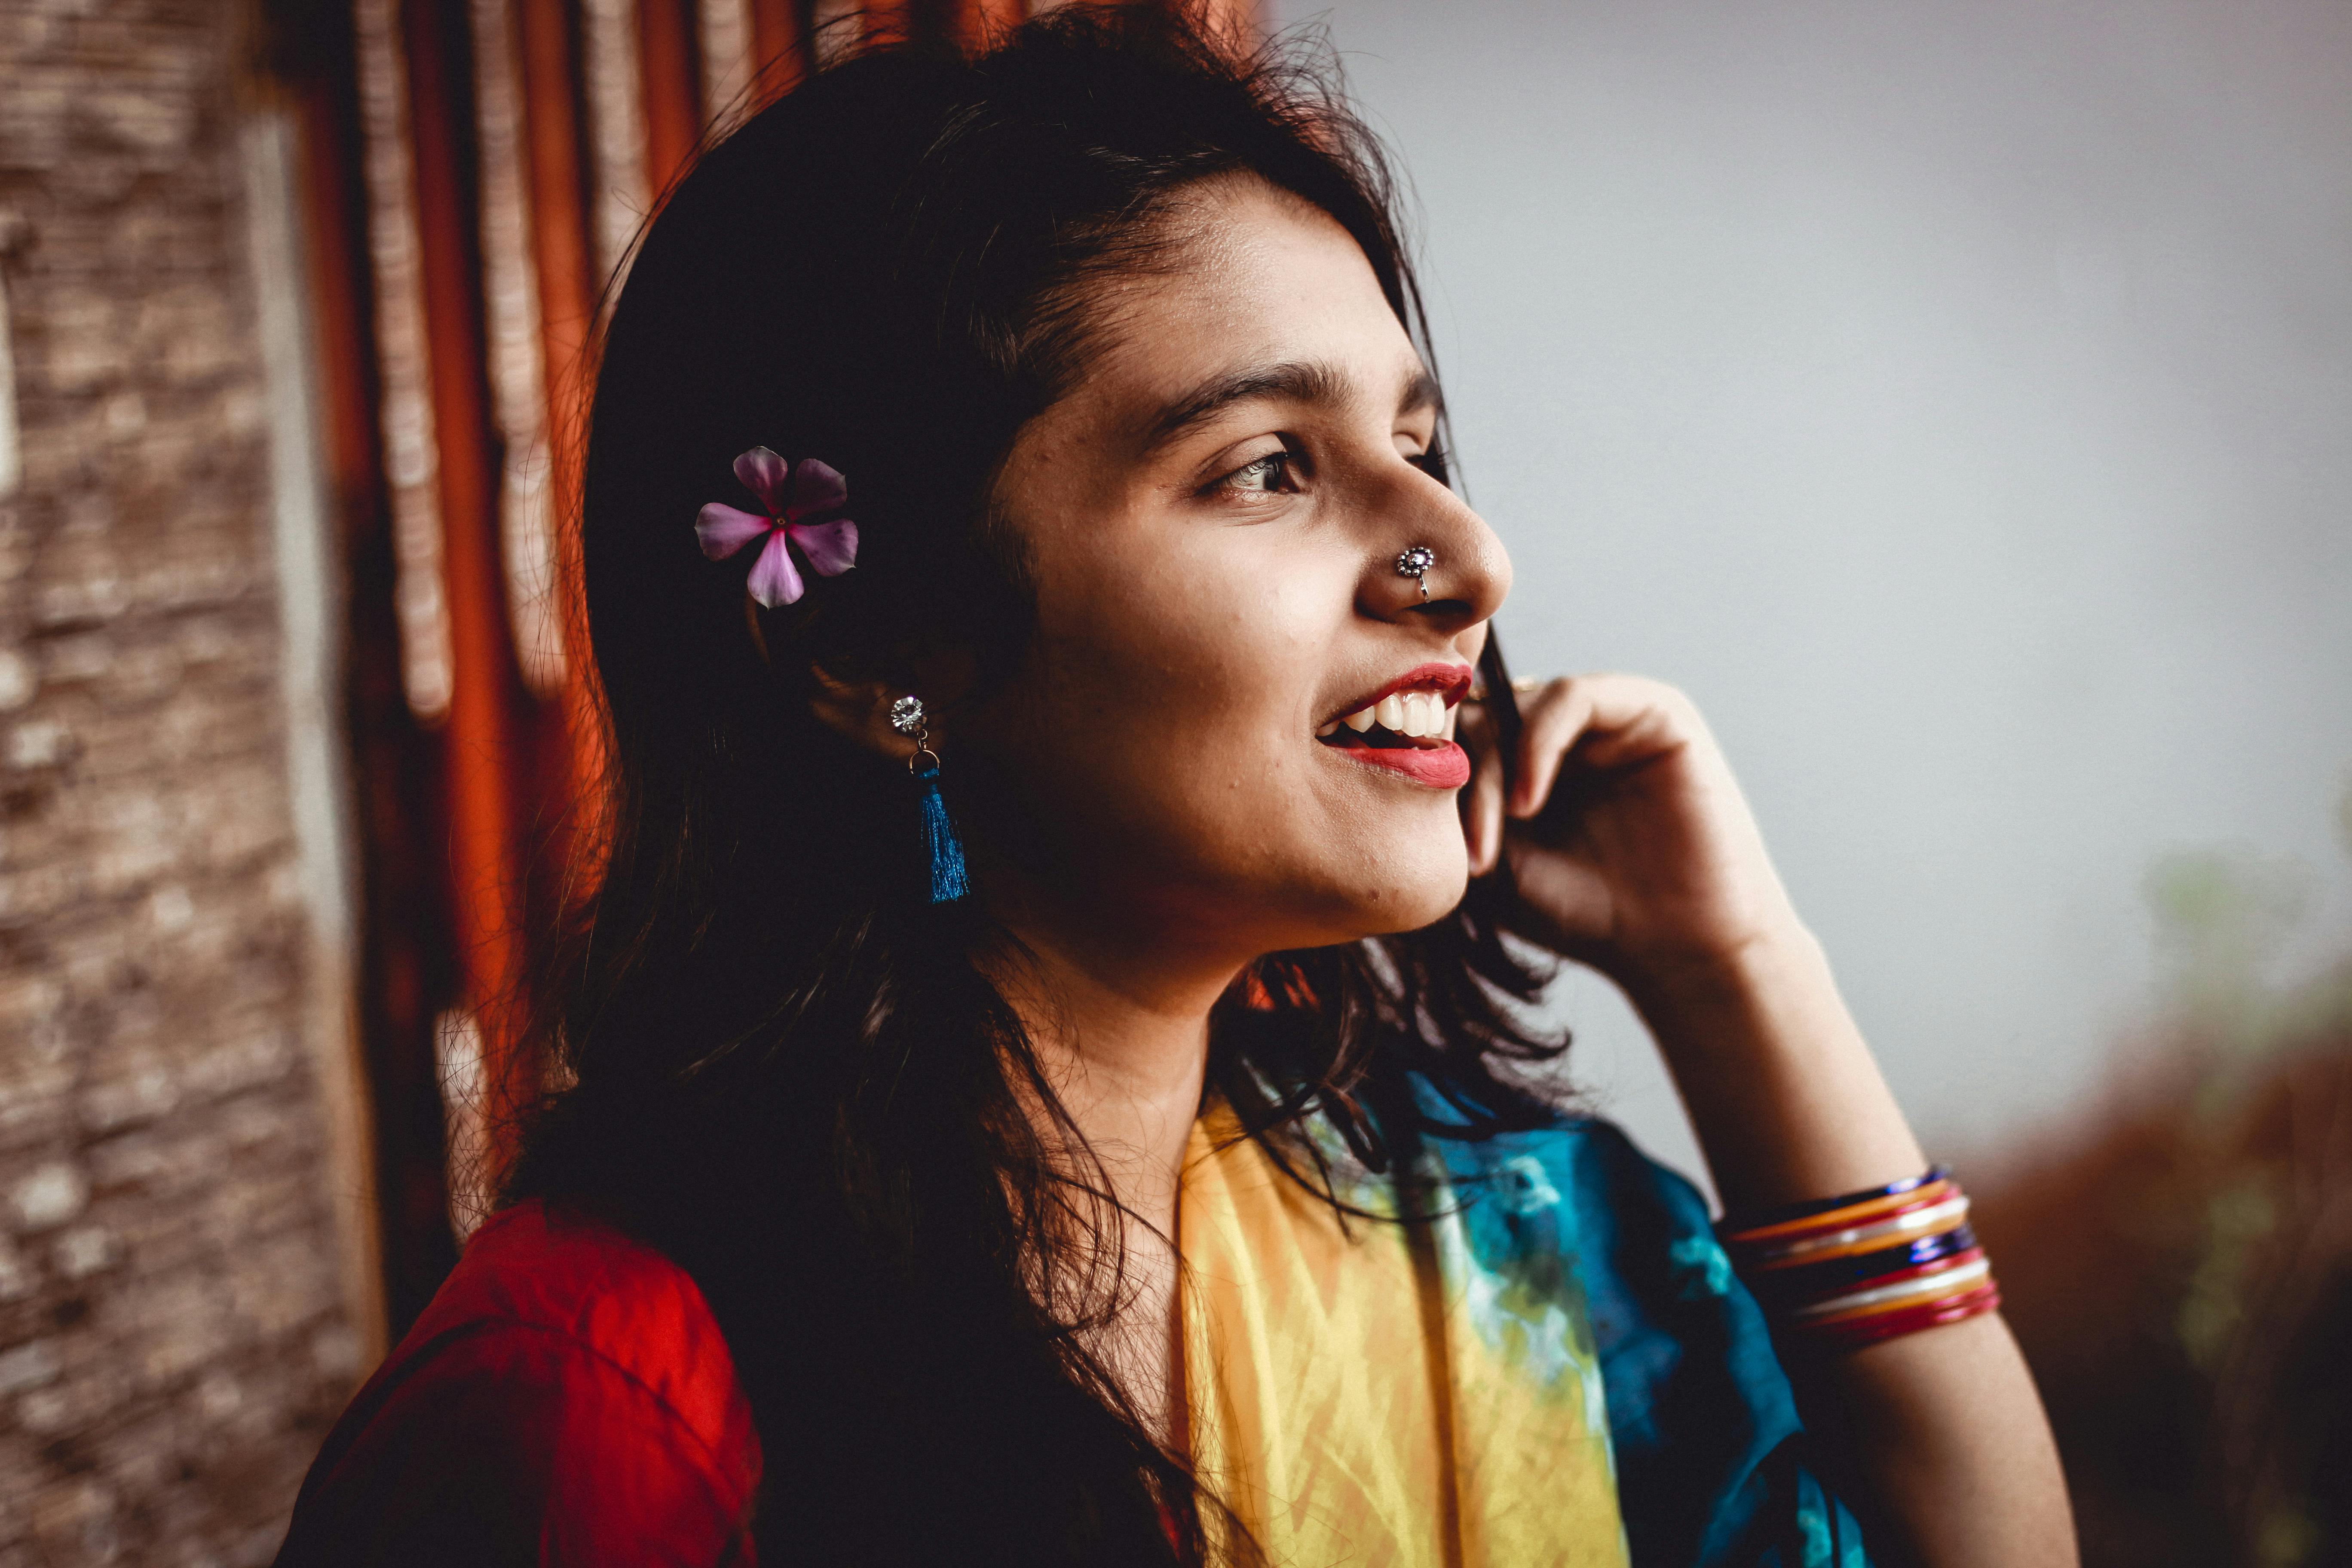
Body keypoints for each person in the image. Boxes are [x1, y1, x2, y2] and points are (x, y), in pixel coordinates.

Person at [276, 7, 2075, 1565]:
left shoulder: (1504, 1251)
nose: (1466, 552)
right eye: (1271, 469)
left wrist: (1735, 972)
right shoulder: (613, 1416)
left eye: (1421, 445)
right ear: (870, 650)